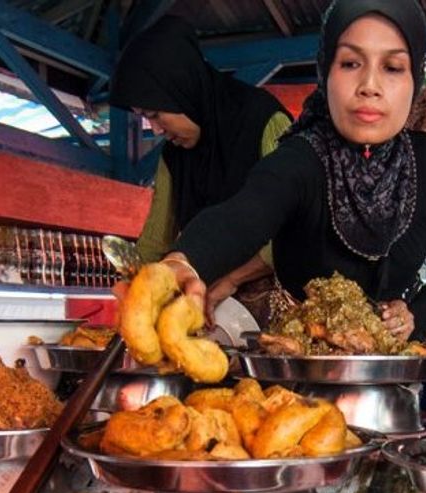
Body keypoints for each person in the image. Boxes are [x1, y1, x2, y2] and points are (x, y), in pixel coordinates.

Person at [161, 0, 426, 343]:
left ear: (415, 79)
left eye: (393, 67)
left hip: (396, 361)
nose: (369, 85)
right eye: (351, 63)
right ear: (326, 72)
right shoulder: (302, 157)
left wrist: (414, 316)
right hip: (301, 359)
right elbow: (242, 216)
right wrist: (185, 260)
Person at [110, 16, 293, 325]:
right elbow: (156, 242)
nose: (154, 129)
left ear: (183, 88)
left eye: (156, 114)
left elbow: (292, 232)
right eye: (144, 117)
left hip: (275, 318)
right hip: (208, 311)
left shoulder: (263, 121)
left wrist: (232, 279)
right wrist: (138, 288)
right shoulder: (174, 153)